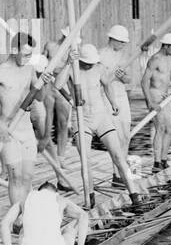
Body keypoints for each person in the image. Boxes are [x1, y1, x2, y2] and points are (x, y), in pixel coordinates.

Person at [60, 43, 147, 201]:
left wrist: (113, 102)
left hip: (101, 117)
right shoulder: (72, 68)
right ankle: (90, 196)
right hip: (82, 119)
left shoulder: (99, 68)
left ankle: (134, 194)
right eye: (87, 63)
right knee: (86, 160)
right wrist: (68, 62)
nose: (89, 66)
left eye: (91, 63)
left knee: (118, 155)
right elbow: (58, 84)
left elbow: (107, 84)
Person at [0, 32, 49, 208]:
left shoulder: (29, 69)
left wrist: (44, 82)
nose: (28, 58)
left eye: (30, 55)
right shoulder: (0, 72)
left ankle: (26, 214)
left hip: (26, 129)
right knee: (16, 176)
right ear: (14, 50)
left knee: (27, 176)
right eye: (25, 54)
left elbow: (40, 97)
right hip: (7, 130)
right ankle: (18, 216)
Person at [0, 180, 90, 245]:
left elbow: (4, 223)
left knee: (22, 232)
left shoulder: (24, 200)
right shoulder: (60, 199)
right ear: (55, 192)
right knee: (69, 229)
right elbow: (83, 215)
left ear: (39, 191)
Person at [140, 32, 171, 170]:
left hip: (166, 95)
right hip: (155, 94)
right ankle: (156, 163)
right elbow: (144, 82)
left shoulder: (170, 59)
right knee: (160, 127)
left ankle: (163, 160)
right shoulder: (155, 59)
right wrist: (150, 102)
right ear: (166, 46)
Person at [40, 26, 74, 157]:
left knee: (63, 122)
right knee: (47, 118)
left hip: (63, 86)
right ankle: (45, 146)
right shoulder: (50, 46)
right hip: (48, 84)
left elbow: (71, 72)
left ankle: (61, 156)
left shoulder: (73, 50)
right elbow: (41, 63)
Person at [98, 24, 134, 146]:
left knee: (125, 134)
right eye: (122, 42)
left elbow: (129, 79)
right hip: (106, 97)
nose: (123, 45)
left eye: (124, 42)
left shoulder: (124, 56)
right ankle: (117, 163)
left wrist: (122, 76)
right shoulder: (100, 55)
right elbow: (96, 79)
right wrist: (109, 76)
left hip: (121, 95)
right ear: (113, 39)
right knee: (113, 135)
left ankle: (123, 162)